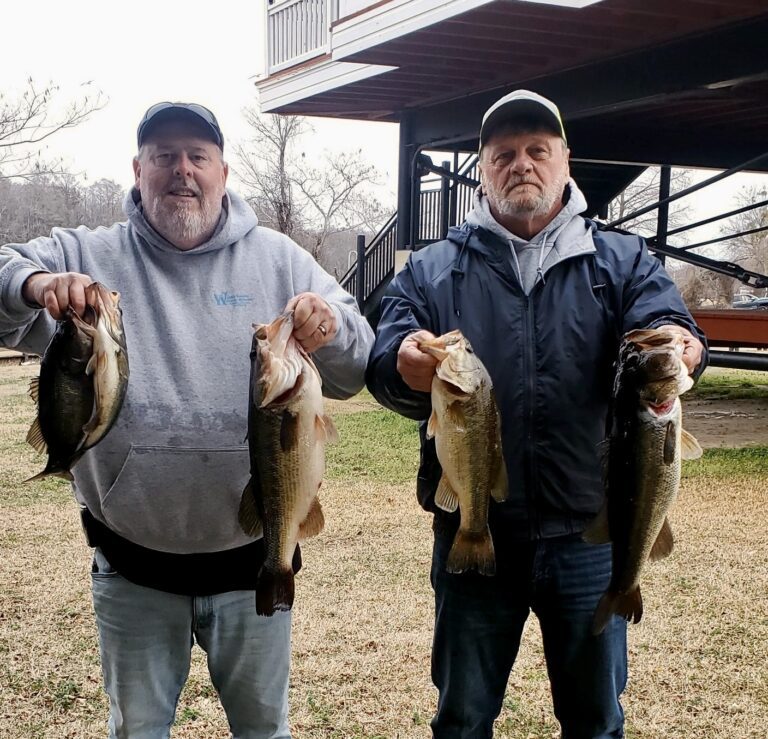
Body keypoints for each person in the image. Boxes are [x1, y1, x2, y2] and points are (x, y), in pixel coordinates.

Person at [0, 102, 374, 738]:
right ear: (137, 169)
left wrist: (330, 325)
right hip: (132, 569)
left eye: (198, 156)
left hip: (253, 559)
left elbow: (356, 361)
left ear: (223, 172)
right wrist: (34, 286)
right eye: (164, 156)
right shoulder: (86, 253)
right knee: (137, 730)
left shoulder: (281, 260)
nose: (182, 171)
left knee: (264, 730)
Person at [366, 89, 706, 738]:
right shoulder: (434, 270)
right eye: (504, 154)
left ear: (565, 161)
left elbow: (667, 327)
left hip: (588, 534)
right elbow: (388, 356)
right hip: (474, 534)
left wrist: (681, 343)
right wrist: (402, 363)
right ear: (483, 170)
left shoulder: (623, 261)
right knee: (462, 717)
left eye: (537, 151)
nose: (521, 163)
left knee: (595, 718)